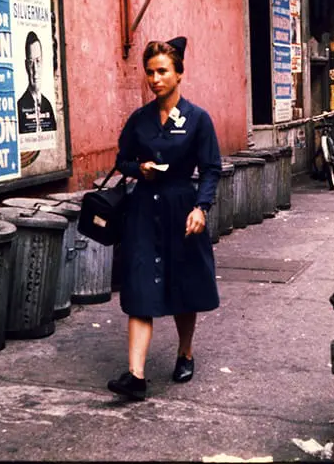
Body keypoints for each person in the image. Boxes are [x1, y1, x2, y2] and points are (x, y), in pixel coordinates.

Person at [107, 37, 222, 402]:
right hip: (143, 210)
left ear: (179, 74)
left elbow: (210, 169)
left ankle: (185, 353)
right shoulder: (139, 120)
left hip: (180, 208)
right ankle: (136, 375)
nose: (155, 79)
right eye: (150, 73)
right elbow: (121, 160)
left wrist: (201, 208)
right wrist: (139, 168)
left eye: (162, 71)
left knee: (182, 283)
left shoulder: (198, 119)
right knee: (141, 284)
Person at [17, 31, 57, 134]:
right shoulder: (19, 107)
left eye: (38, 61)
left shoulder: (48, 106)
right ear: (26, 66)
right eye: (31, 62)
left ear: (42, 62)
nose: (35, 69)